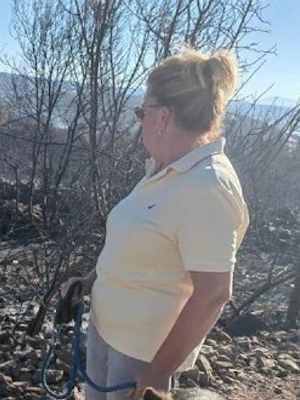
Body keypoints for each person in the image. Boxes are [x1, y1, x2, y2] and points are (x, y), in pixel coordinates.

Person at [60, 47, 249, 400]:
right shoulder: (166, 171)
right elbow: (141, 245)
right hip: (108, 331)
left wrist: (158, 372)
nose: (140, 121)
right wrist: (89, 282)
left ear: (163, 117)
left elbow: (213, 294)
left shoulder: (207, 186)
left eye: (140, 112)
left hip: (142, 353)